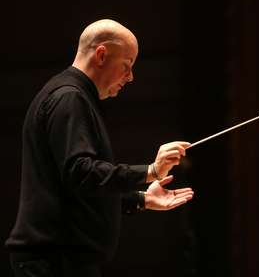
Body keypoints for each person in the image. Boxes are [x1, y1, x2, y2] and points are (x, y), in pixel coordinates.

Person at [5, 19, 194, 276]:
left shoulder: (69, 95)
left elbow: (73, 190)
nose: (130, 76)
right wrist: (150, 171)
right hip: (56, 261)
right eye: (126, 64)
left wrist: (140, 199)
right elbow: (80, 173)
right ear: (101, 54)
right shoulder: (70, 97)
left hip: (59, 259)